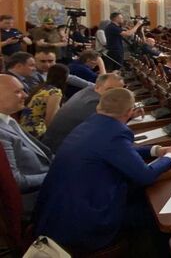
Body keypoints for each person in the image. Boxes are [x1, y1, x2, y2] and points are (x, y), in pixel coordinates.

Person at [34, 88, 171, 252]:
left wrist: (155, 150)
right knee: (154, 215)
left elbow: (116, 151)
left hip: (58, 213)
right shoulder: (114, 134)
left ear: (99, 106)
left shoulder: (91, 124)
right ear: (129, 112)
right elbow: (146, 176)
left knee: (139, 195)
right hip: (85, 224)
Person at [0, 75, 52, 214]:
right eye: (17, 92)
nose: (25, 95)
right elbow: (15, 182)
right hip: (31, 202)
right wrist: (54, 174)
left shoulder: (8, 118)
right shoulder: (1, 133)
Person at [43, 73, 125, 153]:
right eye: (110, 90)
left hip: (51, 144)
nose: (114, 95)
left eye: (118, 91)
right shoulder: (96, 103)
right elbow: (113, 130)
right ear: (97, 87)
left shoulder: (88, 90)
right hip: (58, 151)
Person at [20, 64, 68, 138]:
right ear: (65, 77)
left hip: (24, 128)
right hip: (35, 132)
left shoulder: (41, 88)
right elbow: (50, 120)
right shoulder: (55, 92)